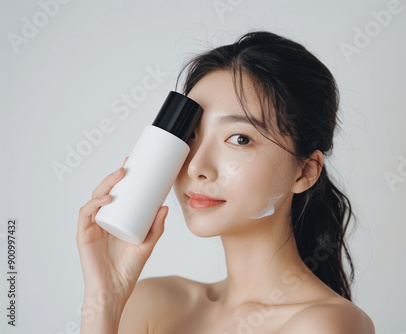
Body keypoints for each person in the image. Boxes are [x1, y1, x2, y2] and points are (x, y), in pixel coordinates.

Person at [77, 30, 375, 333]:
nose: (195, 167)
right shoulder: (153, 302)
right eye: (190, 135)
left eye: (240, 138)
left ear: (304, 172)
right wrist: (104, 298)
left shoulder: (324, 324)